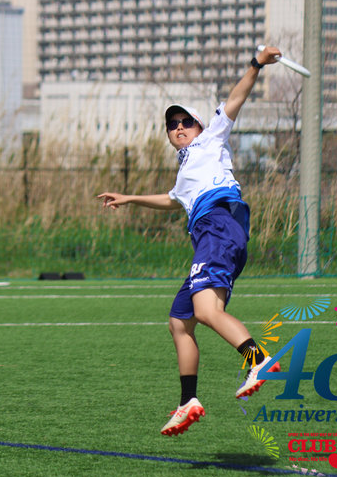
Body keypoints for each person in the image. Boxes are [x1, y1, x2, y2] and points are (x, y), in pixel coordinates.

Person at [97, 46, 283, 436]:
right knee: (180, 321)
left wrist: (256, 64)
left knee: (206, 311)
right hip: (211, 239)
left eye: (186, 121)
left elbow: (236, 98)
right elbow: (172, 199)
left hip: (219, 224)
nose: (179, 127)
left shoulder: (212, 139)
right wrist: (130, 198)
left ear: (200, 126)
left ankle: (258, 359)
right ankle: (188, 401)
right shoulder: (184, 173)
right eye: (172, 124)